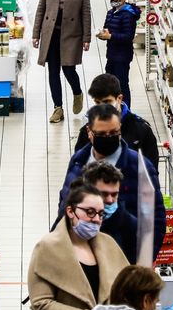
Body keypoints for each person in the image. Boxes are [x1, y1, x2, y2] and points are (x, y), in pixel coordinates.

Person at [61, 105, 165, 265]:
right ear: (89, 132)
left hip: (123, 261)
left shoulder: (139, 167)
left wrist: (144, 262)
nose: (108, 138)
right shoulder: (78, 161)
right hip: (82, 260)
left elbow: (155, 221)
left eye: (113, 133)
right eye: (101, 134)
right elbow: (63, 207)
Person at [33, 0, 91, 124]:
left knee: (68, 69)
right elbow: (41, 8)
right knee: (53, 72)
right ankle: (58, 108)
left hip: (71, 34)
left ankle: (77, 92)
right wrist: (36, 34)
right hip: (51, 33)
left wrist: (86, 37)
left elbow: (85, 11)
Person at [72, 73, 160, 166]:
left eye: (107, 101)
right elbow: (78, 169)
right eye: (98, 102)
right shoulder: (87, 132)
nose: (103, 107)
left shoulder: (141, 130)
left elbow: (151, 172)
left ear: (119, 99)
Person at [98, 0, 139, 103]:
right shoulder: (111, 12)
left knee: (122, 85)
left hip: (122, 56)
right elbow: (107, 28)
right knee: (110, 84)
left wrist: (110, 36)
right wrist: (102, 34)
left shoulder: (128, 15)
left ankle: (126, 111)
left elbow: (128, 36)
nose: (112, 0)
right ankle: (114, 107)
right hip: (111, 54)